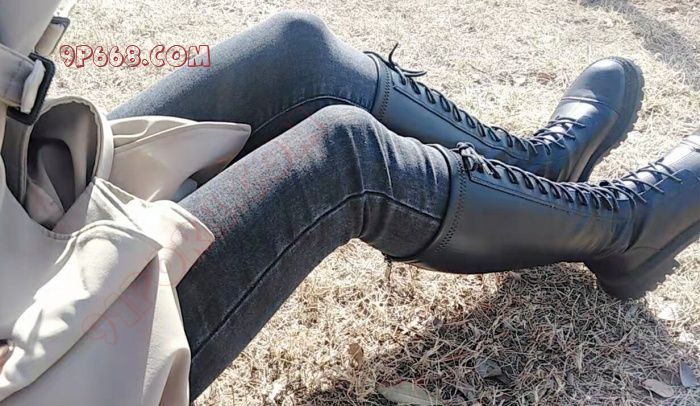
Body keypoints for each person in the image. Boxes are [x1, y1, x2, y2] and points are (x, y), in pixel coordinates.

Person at [0, 7, 697, 405]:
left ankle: (535, 173)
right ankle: (622, 230)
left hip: (25, 204)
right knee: (346, 156)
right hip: (38, 356)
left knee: (294, 52)